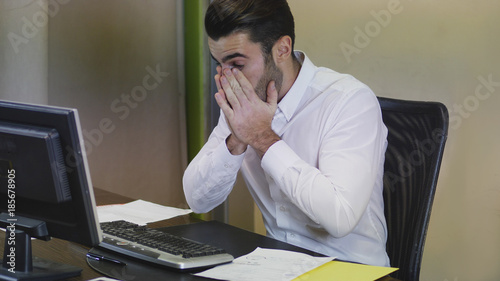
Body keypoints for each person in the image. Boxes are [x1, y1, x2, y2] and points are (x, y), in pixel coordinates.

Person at [183, 0, 390, 267]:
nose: (227, 79)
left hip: (351, 269)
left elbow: (341, 218)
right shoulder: (243, 105)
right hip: (276, 266)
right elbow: (197, 200)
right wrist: (236, 139)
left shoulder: (349, 101)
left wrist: (262, 137)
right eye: (219, 65)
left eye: (236, 64)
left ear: (282, 49)